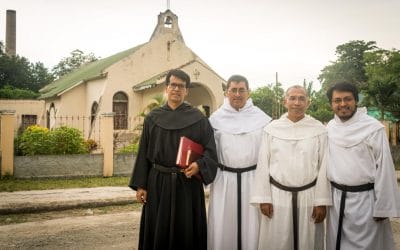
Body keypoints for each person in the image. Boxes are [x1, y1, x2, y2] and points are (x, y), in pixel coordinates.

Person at [128, 69, 218, 250]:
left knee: (186, 232)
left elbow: (211, 151)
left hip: (187, 183)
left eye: (181, 86)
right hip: (158, 183)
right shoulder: (153, 118)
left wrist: (199, 165)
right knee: (158, 232)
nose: (176, 89)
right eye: (173, 85)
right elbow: (144, 151)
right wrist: (141, 185)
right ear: (166, 88)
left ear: (186, 91)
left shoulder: (199, 119)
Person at [250, 85, 332, 250]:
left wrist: (321, 201)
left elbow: (325, 167)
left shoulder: (319, 130)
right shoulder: (271, 129)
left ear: (308, 103)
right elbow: (263, 165)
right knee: (277, 242)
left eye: (302, 98)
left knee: (307, 242)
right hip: (277, 197)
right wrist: (263, 198)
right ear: (284, 101)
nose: (297, 102)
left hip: (309, 197)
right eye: (292, 98)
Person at [325, 81, 400, 250]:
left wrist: (383, 207)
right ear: (331, 104)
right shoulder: (330, 128)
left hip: (366, 203)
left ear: (356, 101)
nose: (342, 104)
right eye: (337, 100)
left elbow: (385, 168)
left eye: (347, 99)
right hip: (336, 202)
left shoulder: (373, 128)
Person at [207, 75, 272, 250]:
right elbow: (208, 152)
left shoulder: (262, 119)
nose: (237, 94)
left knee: (253, 225)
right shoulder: (215, 119)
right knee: (223, 223)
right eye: (233, 90)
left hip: (253, 179)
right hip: (223, 180)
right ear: (226, 92)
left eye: (241, 90)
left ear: (248, 92)